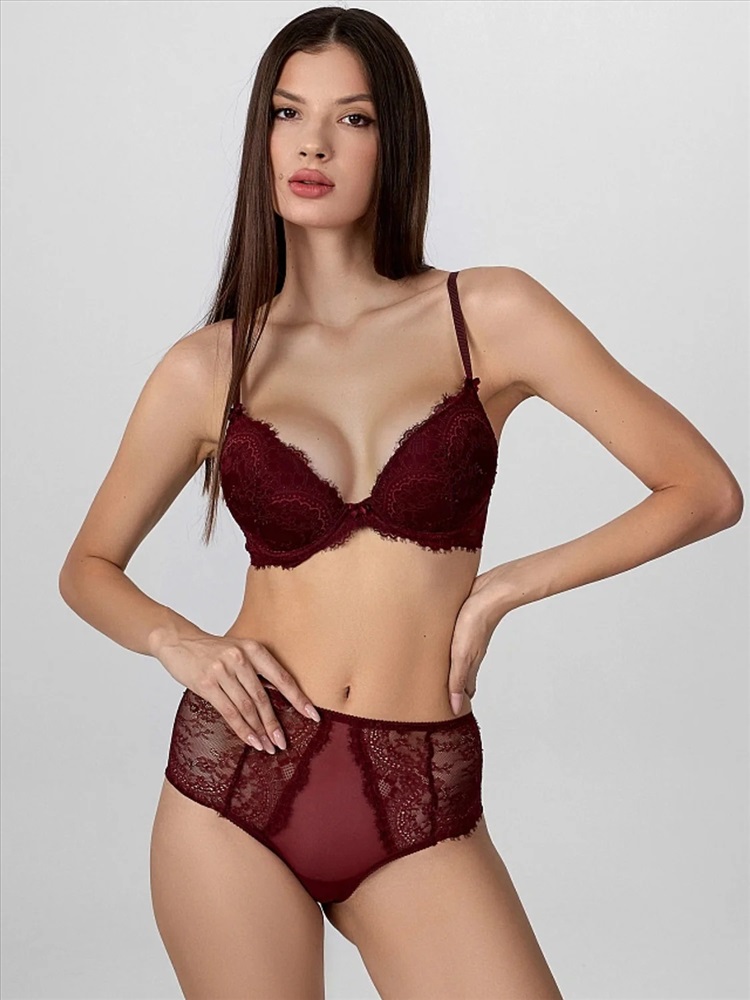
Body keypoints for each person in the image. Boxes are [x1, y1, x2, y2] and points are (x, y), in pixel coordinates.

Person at [58, 6, 744, 999]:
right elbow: (86, 567)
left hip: (420, 786)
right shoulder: (207, 366)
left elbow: (703, 490)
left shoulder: (488, 314)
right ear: (262, 136)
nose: (314, 144)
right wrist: (182, 644)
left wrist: (505, 587)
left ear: (397, 142)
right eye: (288, 113)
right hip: (235, 782)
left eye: (354, 118)